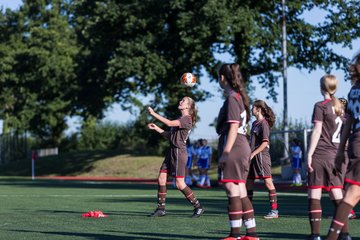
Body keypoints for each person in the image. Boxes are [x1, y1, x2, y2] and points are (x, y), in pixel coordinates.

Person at [216, 63, 259, 240]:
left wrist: (225, 152)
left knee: (231, 187)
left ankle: (234, 235)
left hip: (235, 145)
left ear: (223, 78)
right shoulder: (239, 97)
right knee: (240, 189)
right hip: (242, 144)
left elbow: (234, 126)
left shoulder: (233, 98)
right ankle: (252, 234)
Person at [147, 96, 204, 218]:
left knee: (179, 184)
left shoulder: (187, 119)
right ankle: (161, 208)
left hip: (179, 152)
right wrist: (156, 128)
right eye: (181, 100)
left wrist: (153, 113)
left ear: (188, 106)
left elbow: (168, 123)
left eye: (183, 101)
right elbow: (170, 136)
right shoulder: (181, 119)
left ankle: (198, 207)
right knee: (161, 178)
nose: (180, 101)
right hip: (171, 151)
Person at [306, 74, 347, 240]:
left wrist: (309, 154)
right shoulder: (341, 108)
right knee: (337, 195)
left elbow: (317, 131)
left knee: (314, 194)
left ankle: (315, 235)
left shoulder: (320, 106)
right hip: (336, 155)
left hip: (321, 154)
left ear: (322, 87)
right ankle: (345, 235)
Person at [326, 53, 360, 240]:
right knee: (352, 195)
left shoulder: (353, 90)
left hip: (355, 141)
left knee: (352, 194)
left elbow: (348, 123)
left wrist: (341, 151)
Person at [246, 100, 279, 219]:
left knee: (268, 182)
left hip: (261, 156)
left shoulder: (264, 123)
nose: (251, 109)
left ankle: (274, 211)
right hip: (252, 157)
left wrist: (253, 153)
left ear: (258, 109)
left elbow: (265, 143)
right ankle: (247, 209)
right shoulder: (254, 123)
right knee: (249, 182)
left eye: (253, 107)